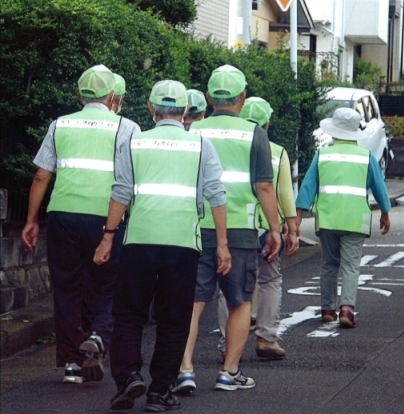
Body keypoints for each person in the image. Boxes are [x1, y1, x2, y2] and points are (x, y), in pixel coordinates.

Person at [93, 80, 230, 411]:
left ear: (151, 109)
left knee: (128, 313)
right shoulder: (200, 145)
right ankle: (160, 391)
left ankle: (128, 377)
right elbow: (216, 194)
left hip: (139, 240)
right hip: (183, 243)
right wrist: (222, 244)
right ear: (185, 112)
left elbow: (121, 191)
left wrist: (108, 235)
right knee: (174, 318)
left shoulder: (134, 142)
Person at [21, 64, 140, 384]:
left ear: (79, 95)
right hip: (106, 219)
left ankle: (72, 363)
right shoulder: (126, 128)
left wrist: (32, 220)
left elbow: (41, 175)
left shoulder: (59, 125)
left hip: (62, 216)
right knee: (111, 280)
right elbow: (131, 180)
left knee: (67, 287)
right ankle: (99, 335)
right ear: (112, 95)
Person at [175, 65, 282, 394]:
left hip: (195, 229)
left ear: (209, 98)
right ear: (243, 98)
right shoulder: (255, 133)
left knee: (191, 302)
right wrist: (275, 228)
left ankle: (185, 370)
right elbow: (264, 186)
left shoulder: (193, 132)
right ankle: (228, 372)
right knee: (239, 302)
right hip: (238, 232)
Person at [216, 97, 298, 360]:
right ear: (267, 123)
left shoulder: (223, 143)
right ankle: (267, 338)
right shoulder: (278, 151)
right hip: (264, 227)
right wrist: (290, 227)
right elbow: (283, 192)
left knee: (227, 286)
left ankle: (227, 344)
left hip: (232, 223)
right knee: (270, 279)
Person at [295, 107, 391, 328]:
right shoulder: (366, 157)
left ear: (334, 131)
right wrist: (385, 213)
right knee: (350, 265)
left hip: (328, 218)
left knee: (329, 264)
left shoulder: (322, 155)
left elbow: (308, 186)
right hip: (355, 220)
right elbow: (379, 188)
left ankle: (327, 309)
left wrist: (298, 214)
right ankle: (347, 309)